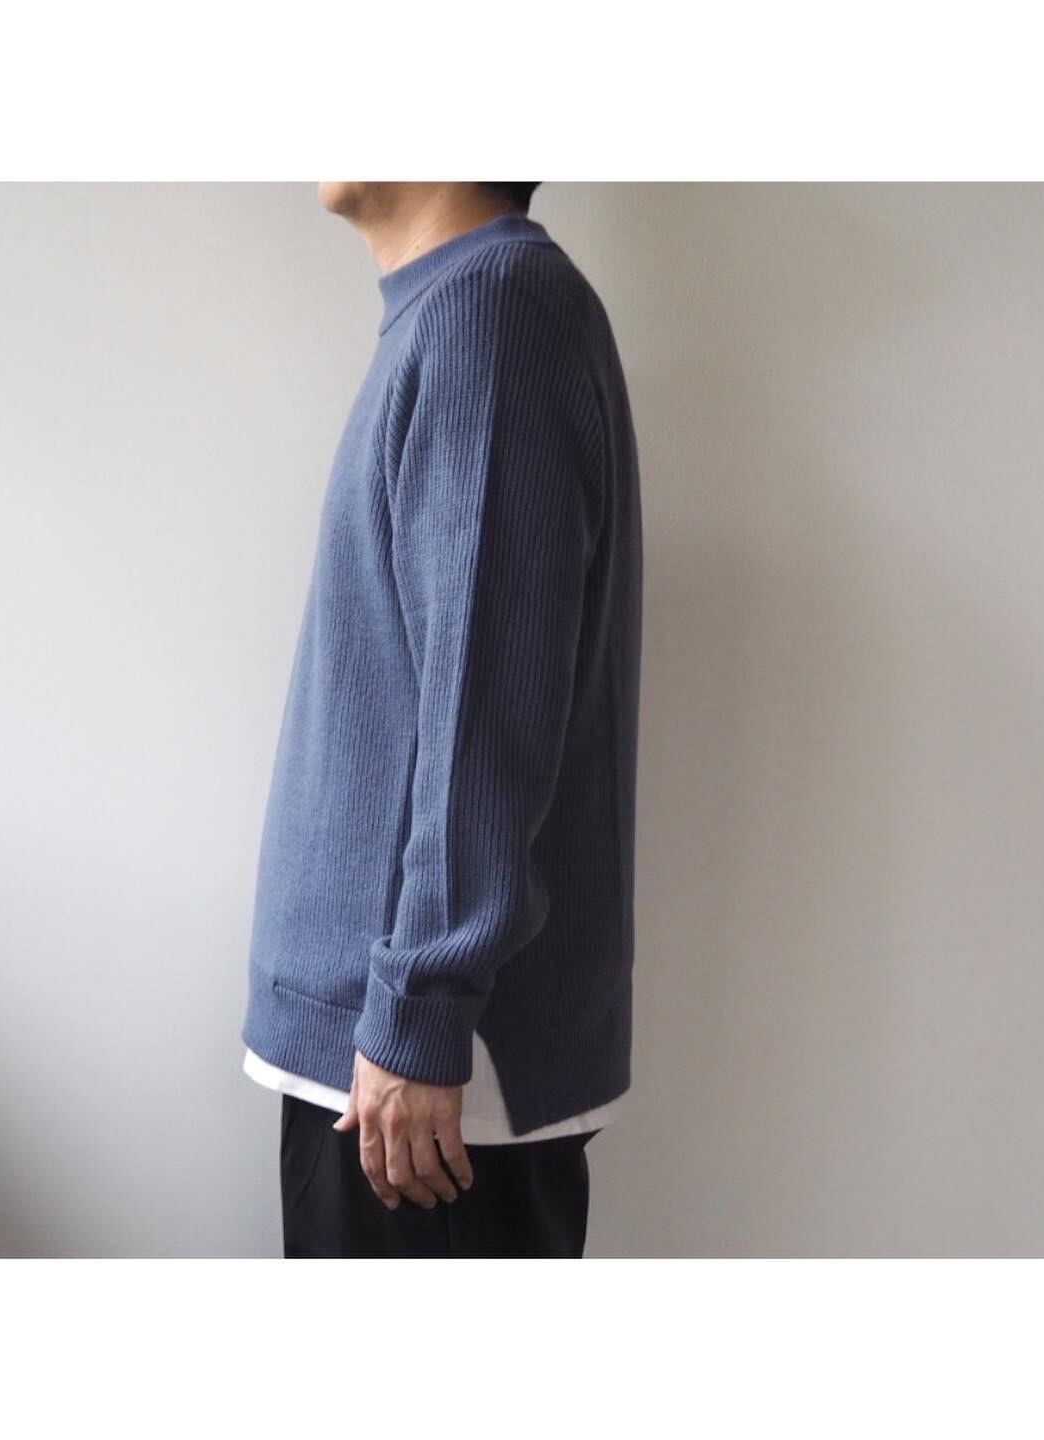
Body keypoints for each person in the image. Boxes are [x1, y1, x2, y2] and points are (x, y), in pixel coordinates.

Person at [241, 182, 643, 1257]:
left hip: (420, 1079)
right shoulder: (458, 311)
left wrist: (422, 1009)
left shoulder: (491, 314)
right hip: (390, 1053)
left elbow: (484, 708)